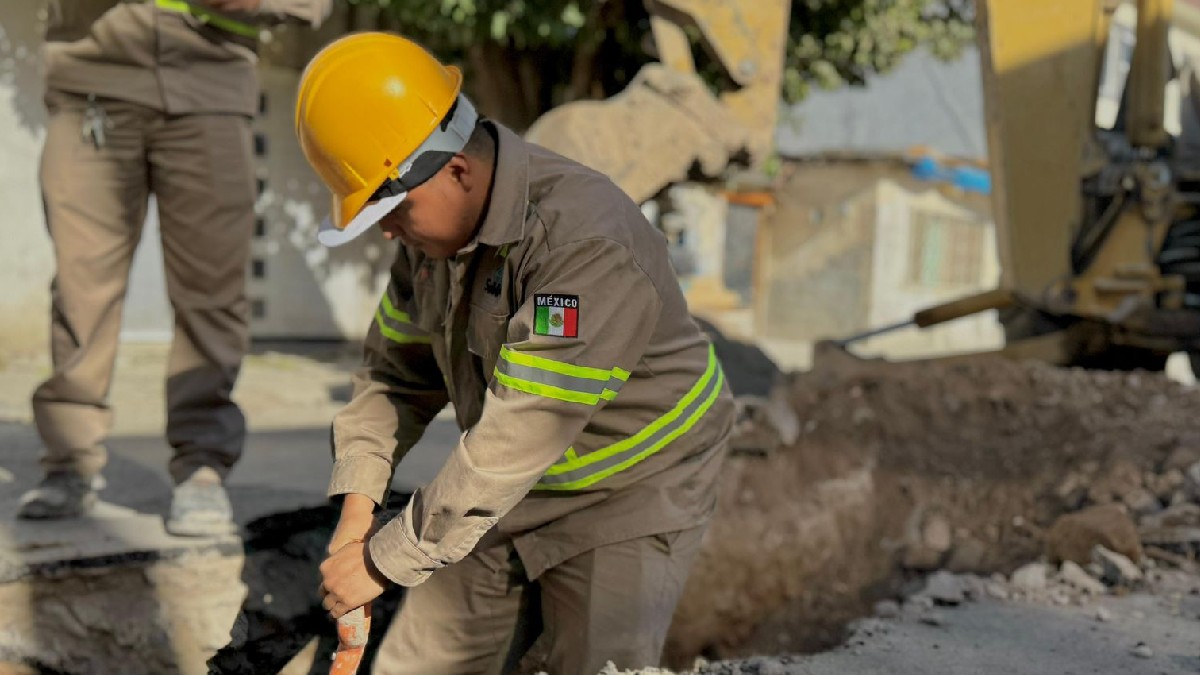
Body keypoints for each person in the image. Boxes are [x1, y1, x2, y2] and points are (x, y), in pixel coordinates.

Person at [298, 32, 735, 674]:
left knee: (592, 666)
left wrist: (382, 561)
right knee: (416, 664)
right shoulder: (426, 244)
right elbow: (394, 378)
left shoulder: (585, 244)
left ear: (456, 168)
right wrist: (357, 516)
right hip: (507, 482)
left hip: (632, 488)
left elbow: (523, 431)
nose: (388, 230)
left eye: (392, 209)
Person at [17, 0, 331, 536]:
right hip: (94, 79)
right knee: (80, 287)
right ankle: (69, 460)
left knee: (213, 288)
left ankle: (202, 466)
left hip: (210, 82)